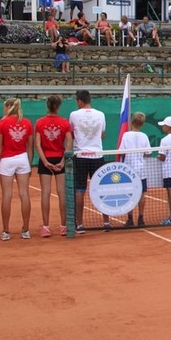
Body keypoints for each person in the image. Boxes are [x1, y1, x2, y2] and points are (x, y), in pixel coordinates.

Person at [68, 90, 110, 233]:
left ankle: (79, 224)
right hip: (97, 157)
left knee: (79, 190)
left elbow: (71, 134)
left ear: (79, 101)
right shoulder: (101, 114)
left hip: (80, 157)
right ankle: (106, 222)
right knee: (102, 189)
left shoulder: (73, 115)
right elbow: (102, 134)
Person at [0, 98, 34, 241]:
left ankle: (6, 231)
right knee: (24, 194)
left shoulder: (2, 122)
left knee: (7, 195)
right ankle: (26, 230)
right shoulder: (27, 122)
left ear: (8, 106)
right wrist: (29, 164)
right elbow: (30, 146)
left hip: (7, 160)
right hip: (22, 159)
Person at [34, 95, 71, 237]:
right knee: (62, 193)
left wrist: (44, 161)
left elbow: (38, 144)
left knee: (45, 193)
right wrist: (63, 161)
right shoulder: (64, 122)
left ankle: (46, 227)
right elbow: (69, 143)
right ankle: (63, 226)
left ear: (47, 105)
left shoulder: (39, 122)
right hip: (59, 159)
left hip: (46, 159)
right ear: (58, 107)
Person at [118, 112, 151, 228]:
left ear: (132, 121)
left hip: (128, 170)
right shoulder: (144, 136)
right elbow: (148, 153)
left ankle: (130, 219)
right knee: (142, 194)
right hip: (140, 170)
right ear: (142, 123)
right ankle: (141, 219)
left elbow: (121, 151)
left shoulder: (126, 135)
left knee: (129, 194)